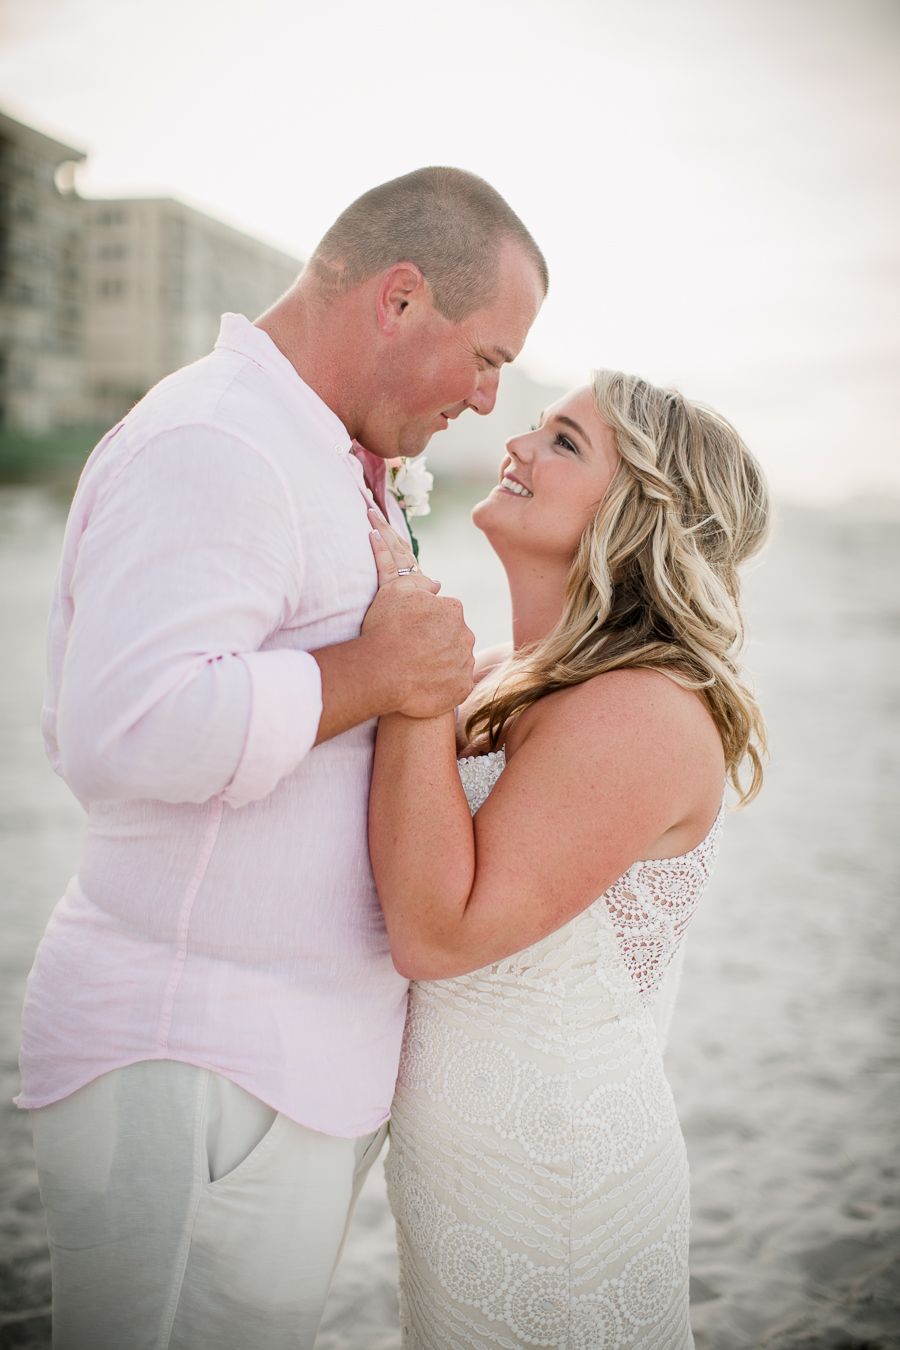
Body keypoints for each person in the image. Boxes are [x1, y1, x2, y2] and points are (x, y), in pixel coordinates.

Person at [17, 167, 547, 1349]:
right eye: (488, 355)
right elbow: (121, 727)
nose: (487, 396)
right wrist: (374, 676)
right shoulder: (221, 444)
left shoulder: (310, 449)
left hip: (274, 1068)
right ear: (400, 299)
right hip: (192, 1058)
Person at [367, 370, 770, 1349]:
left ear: (638, 515)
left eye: (563, 442)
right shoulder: (505, 667)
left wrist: (411, 676)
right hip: (459, 1174)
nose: (515, 448)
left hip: (558, 1187)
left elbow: (437, 931)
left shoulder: (642, 709)